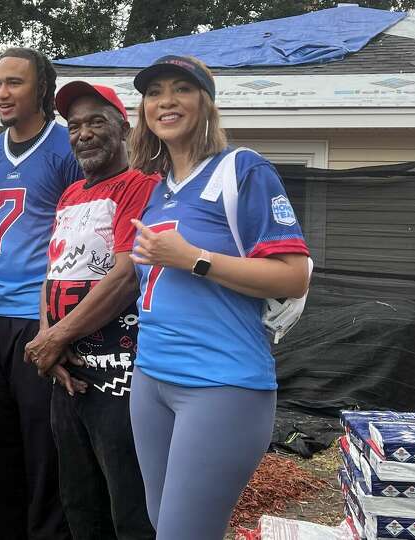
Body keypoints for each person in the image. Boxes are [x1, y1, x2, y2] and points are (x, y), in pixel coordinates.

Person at [126, 55, 310, 539]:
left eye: (181, 89)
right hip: (150, 380)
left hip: (220, 384)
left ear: (205, 103)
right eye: (154, 92)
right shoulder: (157, 189)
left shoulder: (241, 169)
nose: (165, 101)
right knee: (160, 523)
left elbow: (294, 277)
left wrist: (193, 258)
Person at [0, 47, 83, 540]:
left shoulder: (66, 148)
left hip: (39, 319)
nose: (1, 93)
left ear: (42, 90)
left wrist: (61, 324)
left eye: (14, 82)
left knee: (44, 449)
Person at [24, 82, 156, 540]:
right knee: (80, 501)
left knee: (129, 505)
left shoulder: (142, 186)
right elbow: (53, 274)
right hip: (68, 375)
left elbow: (126, 277)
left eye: (96, 121)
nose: (83, 134)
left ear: (123, 127)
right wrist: (49, 342)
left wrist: (56, 338)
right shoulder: (70, 195)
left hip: (119, 373)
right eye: (74, 126)